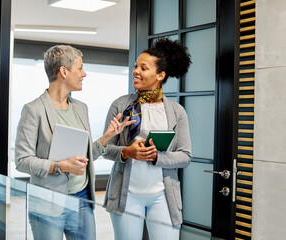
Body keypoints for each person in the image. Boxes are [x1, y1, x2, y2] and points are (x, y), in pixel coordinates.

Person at [15, 45, 134, 240]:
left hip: (82, 199)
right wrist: (61, 166)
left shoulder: (81, 108)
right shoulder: (33, 110)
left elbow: (85, 155)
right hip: (48, 203)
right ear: (63, 71)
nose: (84, 74)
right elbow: (22, 161)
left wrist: (106, 137)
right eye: (80, 68)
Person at [102, 38, 192, 240]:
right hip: (127, 197)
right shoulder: (120, 105)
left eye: (143, 68)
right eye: (135, 66)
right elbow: (104, 148)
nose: (136, 71)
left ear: (160, 75)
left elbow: (185, 156)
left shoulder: (176, 112)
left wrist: (156, 157)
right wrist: (127, 152)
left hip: (163, 198)